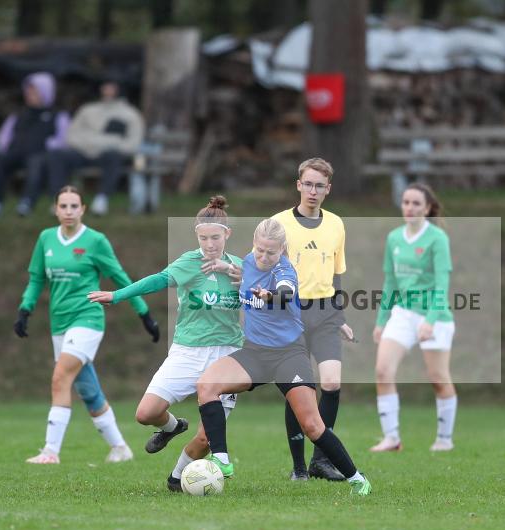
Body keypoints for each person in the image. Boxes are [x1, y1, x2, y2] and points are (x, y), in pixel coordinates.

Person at [194, 218, 371, 495]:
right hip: (254, 353)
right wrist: (226, 267)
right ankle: (223, 460)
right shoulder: (249, 262)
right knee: (206, 386)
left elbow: (286, 294)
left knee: (312, 425)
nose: (264, 257)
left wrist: (268, 296)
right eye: (260, 250)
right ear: (254, 243)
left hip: (289, 355)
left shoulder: (285, 270)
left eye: (271, 252)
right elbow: (244, 272)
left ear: (283, 250)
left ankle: (357, 479)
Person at [87, 196, 245, 492]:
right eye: (203, 238)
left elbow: (263, 300)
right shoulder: (189, 263)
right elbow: (157, 280)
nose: (209, 244)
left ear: (227, 234)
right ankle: (172, 426)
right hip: (187, 351)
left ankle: (177, 479)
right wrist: (117, 295)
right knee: (145, 414)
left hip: (226, 355)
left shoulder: (240, 268)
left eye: (215, 237)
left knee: (206, 438)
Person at [15, 186, 160, 464]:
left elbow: (119, 277)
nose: (68, 211)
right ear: (56, 209)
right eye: (63, 206)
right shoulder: (46, 238)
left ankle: (50, 452)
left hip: (88, 319)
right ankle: (120, 448)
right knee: (88, 390)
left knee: (60, 377)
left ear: (83, 209)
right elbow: (36, 279)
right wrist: (25, 308)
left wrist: (144, 313)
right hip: (59, 322)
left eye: (74, 206)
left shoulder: (95, 241)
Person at [272, 157, 354, 482]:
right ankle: (298, 467)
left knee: (331, 383)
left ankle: (321, 460)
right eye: (308, 183)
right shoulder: (277, 224)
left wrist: (340, 315)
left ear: (328, 189)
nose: (313, 190)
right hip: (289, 314)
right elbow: (261, 272)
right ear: (298, 185)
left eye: (320, 185)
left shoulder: (336, 224)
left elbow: (336, 276)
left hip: (325, 313)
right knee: (299, 389)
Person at [371, 183, 458, 452]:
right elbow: (391, 283)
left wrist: (430, 321)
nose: (409, 208)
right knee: (383, 371)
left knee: (438, 378)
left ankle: (444, 439)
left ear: (428, 208)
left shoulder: (437, 239)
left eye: (416, 203)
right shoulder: (394, 238)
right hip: (402, 314)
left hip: (435, 315)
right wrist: (381, 320)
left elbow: (442, 284)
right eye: (406, 202)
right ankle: (391, 438)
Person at [45, 79, 144, 216]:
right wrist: (104, 142)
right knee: (57, 155)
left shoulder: (130, 114)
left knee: (113, 157)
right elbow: (71, 136)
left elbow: (132, 144)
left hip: (109, 156)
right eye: (105, 87)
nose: (107, 91)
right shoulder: (87, 110)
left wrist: (100, 143)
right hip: (83, 152)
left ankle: (102, 200)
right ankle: (60, 201)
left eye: (111, 87)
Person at [0, 72, 69, 218]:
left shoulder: (58, 115)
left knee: (35, 163)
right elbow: (4, 136)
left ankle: (27, 202)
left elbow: (64, 138)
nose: (29, 95)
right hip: (16, 153)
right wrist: (6, 147)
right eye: (28, 91)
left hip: (41, 155)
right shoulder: (18, 115)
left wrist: (51, 145)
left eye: (34, 91)